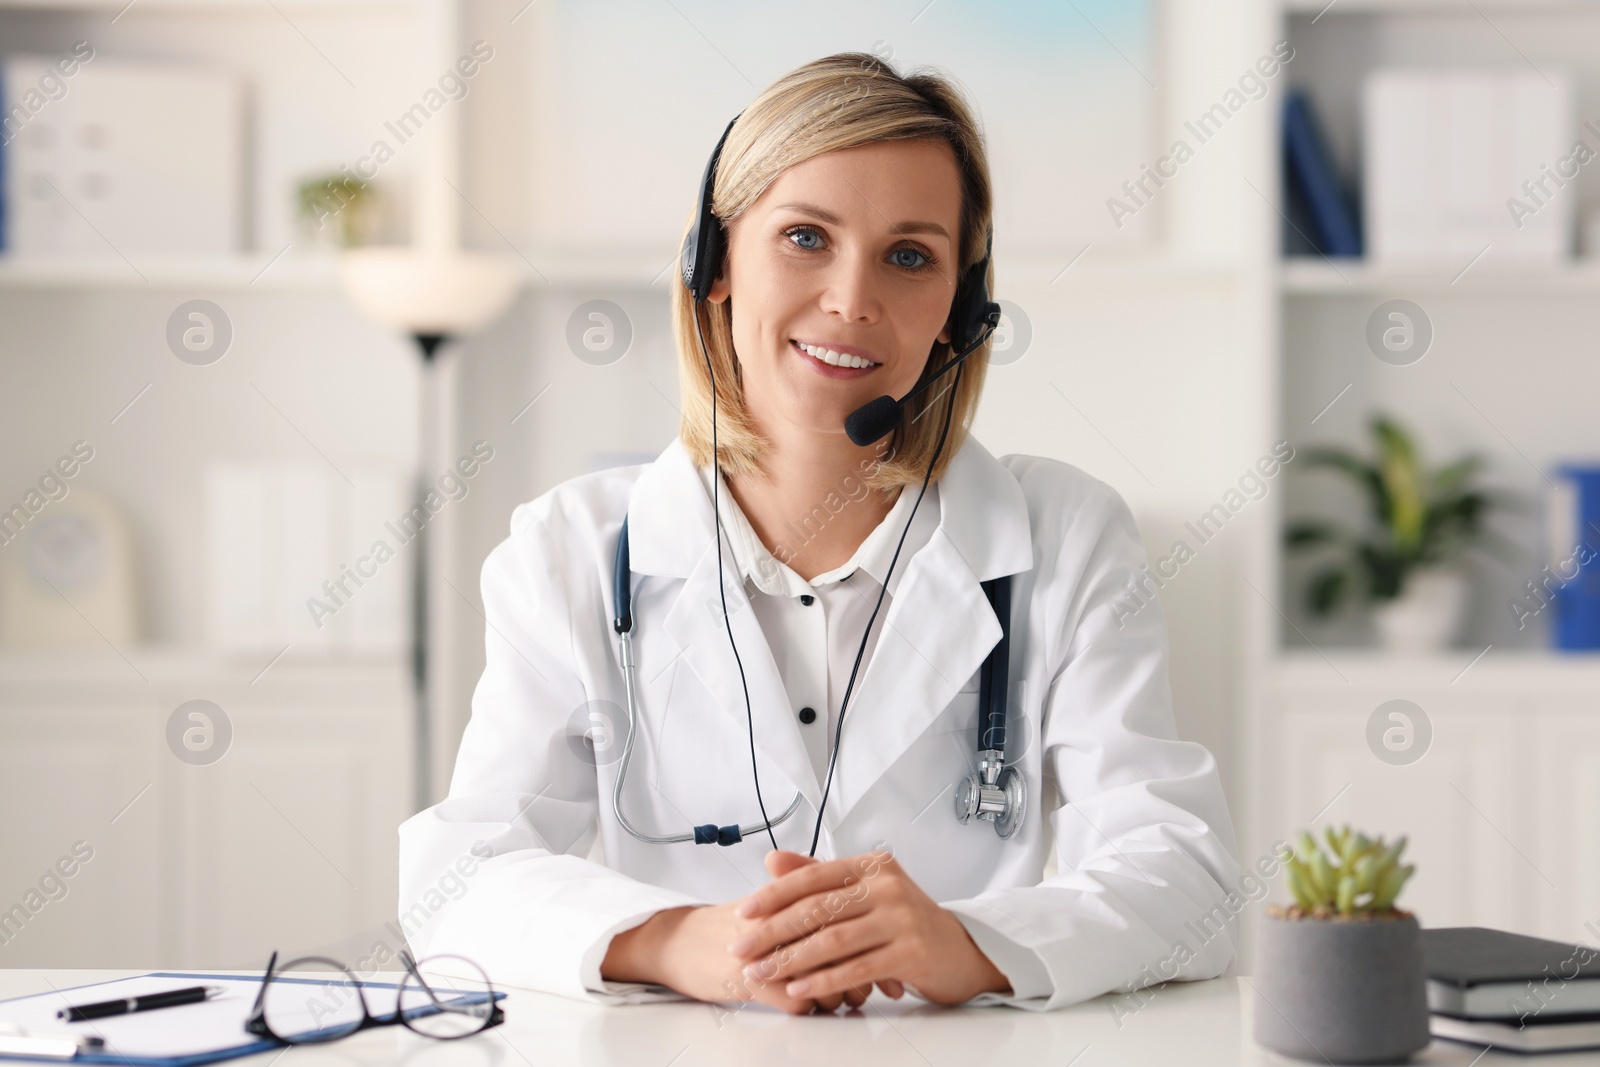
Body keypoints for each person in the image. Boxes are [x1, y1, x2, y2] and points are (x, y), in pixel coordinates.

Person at [397, 52, 1240, 1015]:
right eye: (806, 236)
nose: (852, 299)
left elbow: (1188, 876)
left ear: (960, 314)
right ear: (713, 268)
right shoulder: (572, 549)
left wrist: (968, 943)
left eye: (911, 255)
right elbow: (455, 877)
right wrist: (679, 941)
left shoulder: (1066, 536)